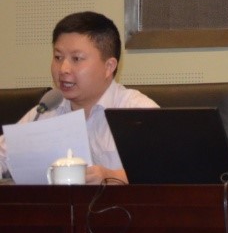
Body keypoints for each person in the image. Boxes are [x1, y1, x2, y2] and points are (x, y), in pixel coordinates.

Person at [0, 11, 158, 184]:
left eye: (76, 59)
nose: (63, 69)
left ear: (109, 67)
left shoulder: (138, 111)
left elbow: (167, 172)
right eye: (58, 57)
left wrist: (111, 176)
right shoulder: (45, 111)